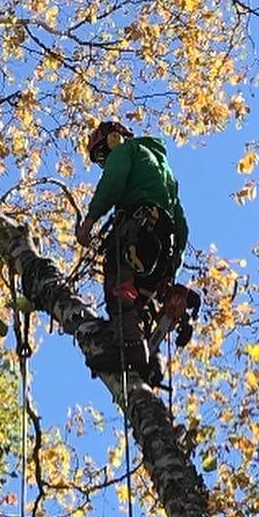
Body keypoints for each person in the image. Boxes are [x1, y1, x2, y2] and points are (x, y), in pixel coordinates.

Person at [76, 120, 192, 382]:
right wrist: (171, 269)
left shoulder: (126, 151)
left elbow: (113, 181)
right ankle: (151, 360)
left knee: (119, 281)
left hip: (137, 228)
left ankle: (130, 347)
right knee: (138, 303)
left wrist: (90, 220)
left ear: (115, 139)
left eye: (104, 153)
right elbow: (181, 224)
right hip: (163, 242)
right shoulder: (165, 172)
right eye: (99, 160)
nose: (104, 162)